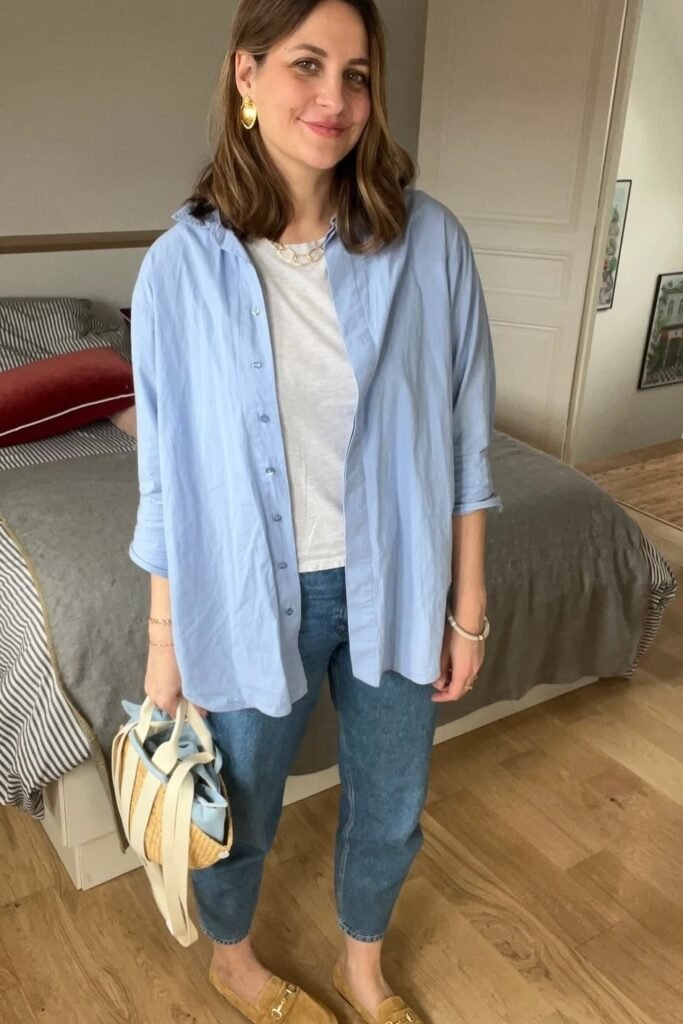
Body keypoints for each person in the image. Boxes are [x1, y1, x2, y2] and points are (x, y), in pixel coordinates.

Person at [128, 1, 503, 1022]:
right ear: (245, 76)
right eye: (306, 65)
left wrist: (466, 604)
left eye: (357, 74)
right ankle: (233, 959)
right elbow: (165, 476)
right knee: (237, 809)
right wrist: (165, 650)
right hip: (243, 593)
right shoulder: (177, 270)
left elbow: (466, 438)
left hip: (399, 583)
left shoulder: (428, 243)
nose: (333, 99)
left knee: (389, 806)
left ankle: (362, 966)